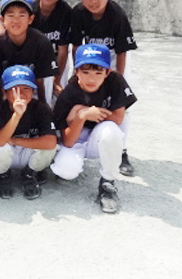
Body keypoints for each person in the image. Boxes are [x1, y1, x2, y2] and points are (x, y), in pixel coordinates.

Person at [49, 44, 137, 213]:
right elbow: (68, 141)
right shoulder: (68, 94)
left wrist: (82, 110)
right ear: (76, 72)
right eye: (85, 72)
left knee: (111, 131)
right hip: (77, 136)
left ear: (107, 72)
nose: (91, 79)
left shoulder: (116, 80)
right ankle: (70, 162)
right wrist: (82, 116)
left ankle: (107, 182)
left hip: (100, 135)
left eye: (98, 73)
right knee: (66, 171)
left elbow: (118, 118)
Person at [68, 0, 138, 176]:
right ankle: (79, 139)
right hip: (88, 60)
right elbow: (75, 46)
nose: (93, 0)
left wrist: (118, 79)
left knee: (121, 104)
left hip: (114, 57)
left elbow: (122, 50)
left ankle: (121, 151)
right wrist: (77, 70)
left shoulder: (117, 15)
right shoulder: (78, 13)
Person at [0, 65, 57, 200]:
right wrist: (17, 115)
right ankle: (2, 175)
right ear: (5, 91)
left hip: (27, 152)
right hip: (8, 153)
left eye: (26, 88)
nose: (21, 93)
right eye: (15, 89)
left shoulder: (41, 108)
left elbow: (50, 142)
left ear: (33, 91)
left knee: (49, 149)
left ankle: (30, 174)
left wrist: (15, 141)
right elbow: (0, 140)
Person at [0, 0, 58, 102]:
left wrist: (43, 106)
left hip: (33, 90)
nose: (16, 20)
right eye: (11, 15)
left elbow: (43, 78)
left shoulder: (41, 42)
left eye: (22, 15)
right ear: (2, 20)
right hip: (7, 91)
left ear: (30, 19)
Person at [31, 0, 72, 106]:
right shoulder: (30, 10)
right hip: (34, 60)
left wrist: (57, 79)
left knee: (58, 96)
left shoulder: (65, 12)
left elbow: (63, 50)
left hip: (57, 59)